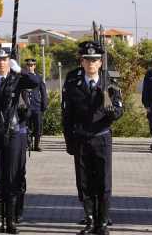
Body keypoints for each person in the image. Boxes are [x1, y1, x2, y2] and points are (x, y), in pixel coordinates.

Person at [62, 41, 123, 235]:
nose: (90, 64)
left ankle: (102, 222)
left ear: (100, 63)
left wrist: (113, 112)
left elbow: (120, 109)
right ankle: (89, 220)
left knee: (103, 183)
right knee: (84, 182)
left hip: (101, 137)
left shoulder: (110, 84)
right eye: (87, 60)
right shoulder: (73, 83)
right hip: (80, 139)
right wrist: (69, 142)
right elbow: (67, 116)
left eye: (95, 60)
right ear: (82, 62)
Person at [0, 47, 40, 234]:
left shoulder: (17, 80)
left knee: (11, 178)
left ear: (9, 62)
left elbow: (35, 82)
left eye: (5, 60)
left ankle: (11, 221)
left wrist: (20, 70)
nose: (1, 63)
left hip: (13, 133)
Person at [22, 58, 48, 152]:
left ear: (34, 66)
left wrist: (44, 104)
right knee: (26, 126)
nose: (29, 67)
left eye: (31, 65)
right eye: (28, 65)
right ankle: (27, 144)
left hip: (36, 105)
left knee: (38, 127)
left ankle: (36, 145)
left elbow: (43, 91)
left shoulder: (38, 77)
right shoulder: (22, 77)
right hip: (26, 105)